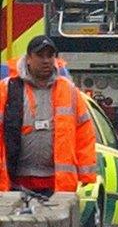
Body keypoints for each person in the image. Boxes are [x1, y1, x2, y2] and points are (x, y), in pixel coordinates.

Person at [0, 35, 97, 195]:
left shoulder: (69, 91)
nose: (46, 60)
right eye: (40, 55)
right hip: (13, 184)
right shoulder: (7, 89)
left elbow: (84, 135)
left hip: (59, 185)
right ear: (28, 59)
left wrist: (86, 175)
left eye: (50, 55)